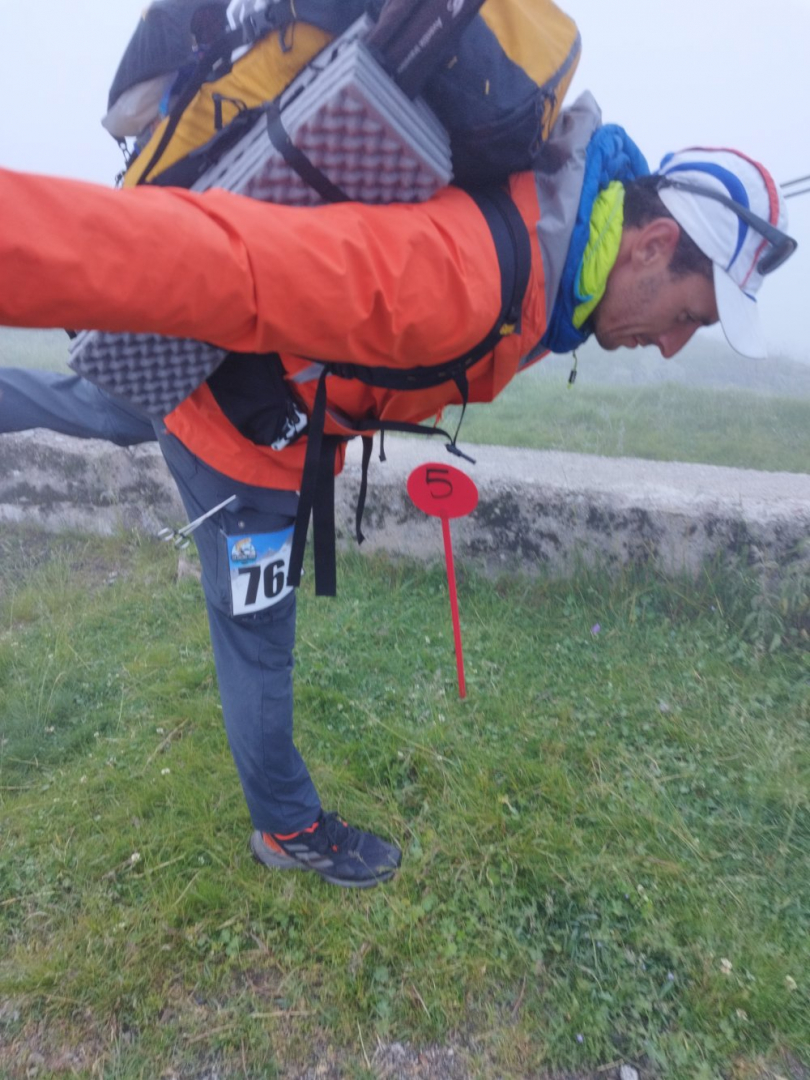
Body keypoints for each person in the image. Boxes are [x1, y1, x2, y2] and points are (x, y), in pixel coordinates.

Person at [0, 92, 795, 887]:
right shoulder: (467, 277)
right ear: (654, 245)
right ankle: (287, 827)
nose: (671, 347)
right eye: (690, 317)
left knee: (102, 407)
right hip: (247, 446)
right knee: (258, 644)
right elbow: (232, 263)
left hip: (197, 380)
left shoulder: (559, 249)